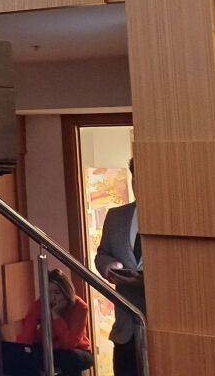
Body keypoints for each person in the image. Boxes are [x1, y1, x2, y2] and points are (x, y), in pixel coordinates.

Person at [93, 158, 146, 376]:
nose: (139, 185)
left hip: (164, 328)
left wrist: (147, 280)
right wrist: (109, 267)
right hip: (126, 330)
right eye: (135, 179)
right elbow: (102, 254)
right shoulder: (116, 216)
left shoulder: (174, 215)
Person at [1, 269, 93, 375]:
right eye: (48, 293)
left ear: (66, 291)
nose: (52, 298)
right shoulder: (40, 304)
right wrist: (22, 352)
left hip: (76, 350)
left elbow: (69, 343)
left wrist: (55, 315)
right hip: (48, 348)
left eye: (57, 293)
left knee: (69, 358)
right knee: (17, 357)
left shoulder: (80, 307)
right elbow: (27, 334)